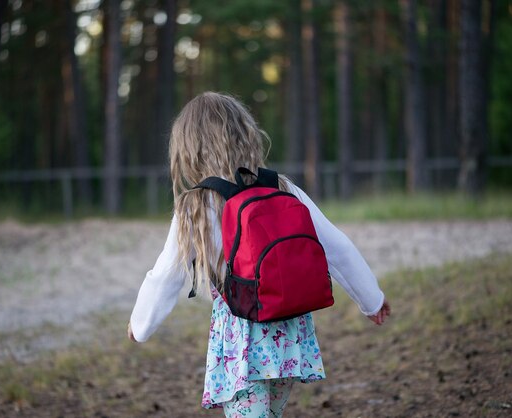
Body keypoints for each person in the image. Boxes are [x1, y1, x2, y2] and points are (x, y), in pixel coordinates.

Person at [128, 92, 391, 417]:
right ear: (245, 133)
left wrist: (140, 325)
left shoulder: (197, 205)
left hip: (242, 340)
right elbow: (336, 247)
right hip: (290, 336)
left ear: (188, 147)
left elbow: (166, 275)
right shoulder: (281, 186)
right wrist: (371, 299)